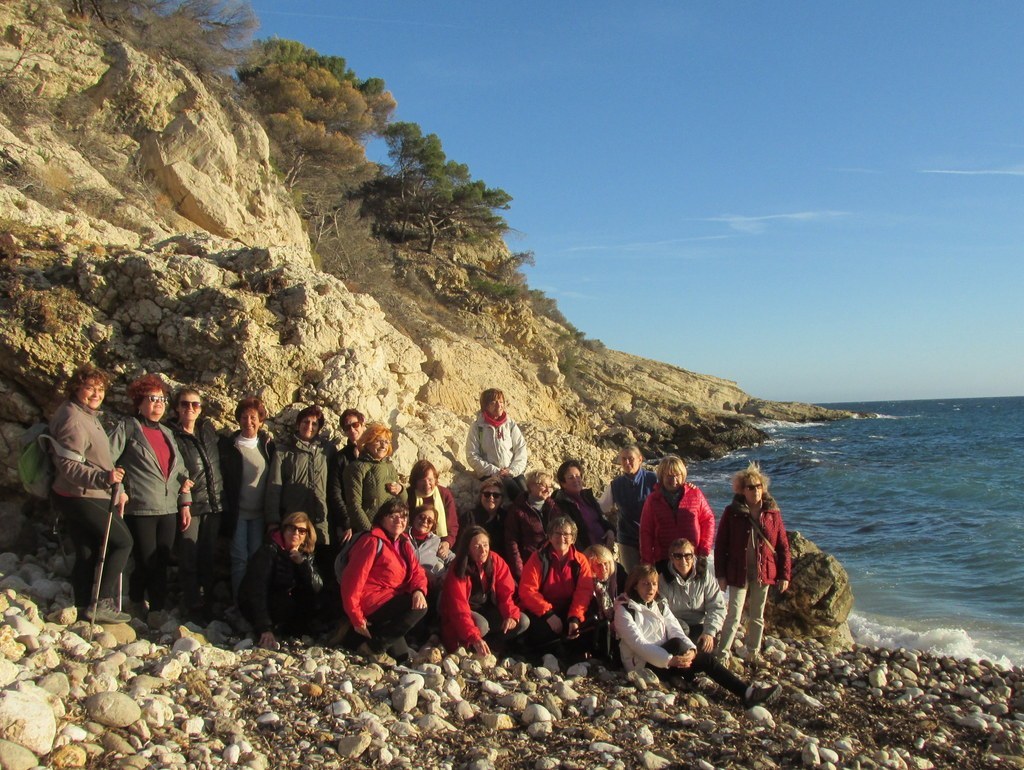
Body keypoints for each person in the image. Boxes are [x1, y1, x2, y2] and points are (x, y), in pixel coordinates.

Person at [614, 564, 781, 708]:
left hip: (668, 657)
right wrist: (669, 660)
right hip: (643, 664)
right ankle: (676, 675)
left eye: (654, 584)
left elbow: (676, 629)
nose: (651, 589)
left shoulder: (659, 603)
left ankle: (748, 693)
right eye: (645, 584)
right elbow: (638, 644)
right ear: (635, 585)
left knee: (704, 658)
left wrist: (691, 650)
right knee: (678, 645)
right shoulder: (625, 609)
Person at [48, 364, 132, 623]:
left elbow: (98, 458)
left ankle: (84, 606)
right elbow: (68, 465)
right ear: (76, 388)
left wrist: (120, 490)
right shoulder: (73, 418)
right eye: (90, 388)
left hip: (80, 493)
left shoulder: (84, 414)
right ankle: (102, 602)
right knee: (122, 542)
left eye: (100, 389)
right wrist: (103, 479)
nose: (96, 394)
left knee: (86, 551)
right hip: (81, 494)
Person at [108, 373, 192, 616]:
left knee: (162, 560)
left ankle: (155, 608)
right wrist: (121, 491)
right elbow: (107, 461)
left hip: (168, 508)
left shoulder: (167, 433)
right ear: (139, 402)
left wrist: (184, 499)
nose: (158, 404)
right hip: (141, 506)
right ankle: (140, 601)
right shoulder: (128, 428)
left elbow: (180, 469)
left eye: (162, 399)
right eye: (152, 398)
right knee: (146, 560)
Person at [264, 405, 336, 623]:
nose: (309, 426)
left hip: (320, 522)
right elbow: (274, 487)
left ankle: (319, 617)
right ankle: (289, 616)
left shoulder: (327, 451)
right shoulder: (284, 452)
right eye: (306, 422)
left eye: (315, 424)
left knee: (318, 569)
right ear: (298, 424)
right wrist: (273, 521)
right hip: (294, 522)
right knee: (290, 568)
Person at [715, 463, 791, 664]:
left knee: (757, 616)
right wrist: (720, 575)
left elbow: (783, 545)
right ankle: (722, 654)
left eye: (758, 486)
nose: (755, 490)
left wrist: (784, 575)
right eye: (750, 487)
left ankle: (753, 653)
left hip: (763, 571)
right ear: (741, 489)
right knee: (734, 614)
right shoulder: (732, 512)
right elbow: (721, 544)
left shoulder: (773, 513)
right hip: (737, 571)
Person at [339, 499, 427, 662]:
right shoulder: (371, 542)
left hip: (390, 602)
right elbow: (352, 581)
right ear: (382, 518)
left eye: (403, 517)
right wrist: (356, 617)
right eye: (393, 516)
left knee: (401, 656)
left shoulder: (404, 543)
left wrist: (418, 590)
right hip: (372, 603)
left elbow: (417, 572)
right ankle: (373, 646)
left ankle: (355, 639)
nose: (399, 521)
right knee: (418, 608)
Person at [168, 387, 225, 622]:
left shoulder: (208, 431)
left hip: (215, 504)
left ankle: (208, 604)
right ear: (176, 408)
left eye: (195, 405)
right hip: (190, 504)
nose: (190, 409)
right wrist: (183, 500)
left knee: (208, 557)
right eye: (185, 404)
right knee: (188, 556)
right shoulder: (172, 436)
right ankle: (192, 604)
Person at [238, 511, 322, 649]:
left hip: (286, 605)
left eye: (301, 531)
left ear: (306, 535)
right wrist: (264, 628)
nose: (296, 533)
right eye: (292, 528)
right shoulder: (268, 551)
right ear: (284, 529)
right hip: (263, 603)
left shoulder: (305, 554)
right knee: (282, 600)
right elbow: (257, 590)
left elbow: (317, 586)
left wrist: (302, 564)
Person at [440, 525, 528, 655]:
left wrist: (510, 615)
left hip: (487, 609)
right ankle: (469, 647)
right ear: (468, 549)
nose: (483, 550)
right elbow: (458, 608)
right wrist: (474, 636)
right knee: (481, 625)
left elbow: (505, 595)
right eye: (477, 547)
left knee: (522, 621)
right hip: (463, 615)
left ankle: (490, 646)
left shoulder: (496, 561)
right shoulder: (458, 568)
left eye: (485, 545)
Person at [221, 396, 275, 600]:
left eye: (253, 417)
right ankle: (239, 603)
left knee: (255, 559)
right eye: (244, 417)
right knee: (239, 560)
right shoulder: (229, 446)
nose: (249, 422)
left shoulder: (268, 446)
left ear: (260, 421)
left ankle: (254, 603)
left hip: (260, 514)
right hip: (238, 514)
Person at [518, 516, 594, 656]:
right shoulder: (538, 558)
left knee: (588, 625)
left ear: (573, 538)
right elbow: (527, 591)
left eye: (566, 534)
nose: (562, 538)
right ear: (550, 537)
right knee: (544, 632)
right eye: (557, 533)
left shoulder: (581, 561)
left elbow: (584, 592)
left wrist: (574, 618)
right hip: (542, 612)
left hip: (568, 609)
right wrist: (548, 614)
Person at [639, 455, 715, 564]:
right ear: (661, 476)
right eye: (669, 476)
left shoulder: (695, 494)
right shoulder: (653, 500)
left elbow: (708, 521)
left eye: (677, 475)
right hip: (664, 559)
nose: (674, 480)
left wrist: (704, 550)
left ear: (683, 475)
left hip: (691, 557)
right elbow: (646, 532)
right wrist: (647, 561)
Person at [655, 538, 726, 654]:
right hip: (676, 627)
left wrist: (709, 632)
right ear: (671, 558)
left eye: (687, 556)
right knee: (683, 643)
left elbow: (717, 606)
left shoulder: (704, 576)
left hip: (699, 625)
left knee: (709, 643)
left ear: (693, 557)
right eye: (678, 556)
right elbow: (662, 611)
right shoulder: (663, 580)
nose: (683, 560)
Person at [599, 445, 657, 573]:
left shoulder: (653, 479)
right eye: (623, 459)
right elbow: (600, 508)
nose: (627, 462)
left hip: (653, 539)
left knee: (654, 577)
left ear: (640, 459)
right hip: (628, 540)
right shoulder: (616, 485)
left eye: (631, 459)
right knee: (632, 579)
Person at [466, 388, 528, 501]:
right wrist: (495, 471)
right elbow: (472, 455)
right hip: (489, 473)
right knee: (517, 496)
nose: (498, 405)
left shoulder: (510, 424)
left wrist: (512, 470)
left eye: (501, 402)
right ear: (485, 406)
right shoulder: (477, 427)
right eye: (493, 402)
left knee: (527, 493)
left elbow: (521, 449)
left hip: (512, 471)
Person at [341, 422, 403, 534]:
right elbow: (354, 505)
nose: (383, 446)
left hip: (391, 531)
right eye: (378, 441)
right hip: (368, 532)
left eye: (386, 442)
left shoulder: (390, 467)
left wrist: (401, 490)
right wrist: (370, 532)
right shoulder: (357, 468)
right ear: (367, 443)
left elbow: (402, 501)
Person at [503, 469, 558, 581]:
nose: (548, 489)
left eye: (549, 486)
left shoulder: (554, 508)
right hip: (531, 566)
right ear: (531, 485)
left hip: (555, 565)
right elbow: (511, 542)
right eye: (543, 485)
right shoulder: (518, 510)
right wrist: (520, 571)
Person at [551, 459, 615, 551]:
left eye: (577, 476)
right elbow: (570, 535)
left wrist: (610, 530)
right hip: (585, 554)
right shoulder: (560, 504)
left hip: (603, 551)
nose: (576, 480)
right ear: (563, 483)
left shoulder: (588, 497)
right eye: (571, 477)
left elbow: (601, 518)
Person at [326, 407, 365, 546]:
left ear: (362, 424)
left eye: (355, 425)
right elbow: (335, 492)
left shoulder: (376, 454)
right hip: (351, 522)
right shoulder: (340, 458)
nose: (352, 430)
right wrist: (346, 522)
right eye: (347, 427)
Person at [406, 459, 459, 559]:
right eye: (422, 480)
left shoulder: (444, 494)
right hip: (413, 543)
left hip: (439, 543)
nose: (427, 484)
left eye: (430, 480)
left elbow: (452, 524)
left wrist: (447, 542)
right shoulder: (409, 495)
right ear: (415, 482)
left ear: (435, 479)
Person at [584, 544, 624, 663]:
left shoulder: (619, 573)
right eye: (598, 565)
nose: (604, 568)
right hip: (596, 623)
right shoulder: (584, 580)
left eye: (606, 564)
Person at [408, 502, 454, 595]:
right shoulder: (401, 537)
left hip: (433, 588)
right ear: (414, 517)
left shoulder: (436, 542)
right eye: (422, 517)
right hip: (408, 585)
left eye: (430, 521)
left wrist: (444, 577)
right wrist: (425, 572)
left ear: (433, 525)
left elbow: (455, 561)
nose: (425, 522)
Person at [459, 476, 506, 556]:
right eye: (487, 494)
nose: (491, 497)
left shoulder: (506, 518)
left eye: (496, 495)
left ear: (501, 499)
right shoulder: (469, 517)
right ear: (481, 496)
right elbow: (461, 545)